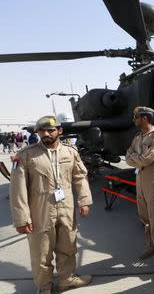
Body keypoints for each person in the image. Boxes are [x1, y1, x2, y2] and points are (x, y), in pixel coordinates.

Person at [9, 115, 93, 293]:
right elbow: (17, 189)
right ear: (37, 132)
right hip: (40, 209)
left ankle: (66, 279)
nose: (46, 134)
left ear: (60, 131)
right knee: (41, 251)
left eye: (50, 130)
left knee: (68, 246)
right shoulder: (25, 155)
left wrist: (84, 200)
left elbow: (80, 177)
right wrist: (22, 218)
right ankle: (44, 286)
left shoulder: (70, 152)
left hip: (66, 207)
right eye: (42, 131)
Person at [125, 106, 154, 278]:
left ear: (144, 118)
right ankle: (151, 247)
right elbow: (128, 155)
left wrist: (135, 159)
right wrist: (136, 160)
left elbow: (146, 159)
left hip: (153, 179)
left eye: (136, 117)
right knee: (145, 216)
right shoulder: (137, 137)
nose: (134, 119)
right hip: (141, 178)